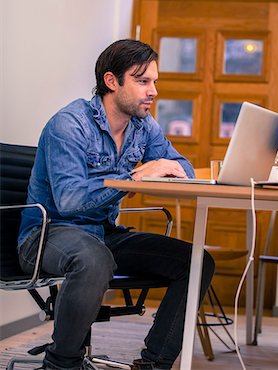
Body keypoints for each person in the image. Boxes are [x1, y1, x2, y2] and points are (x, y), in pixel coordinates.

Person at [18, 39, 215, 370]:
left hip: (104, 233)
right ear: (112, 81)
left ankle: (153, 364)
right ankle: (61, 363)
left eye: (154, 81)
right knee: (94, 259)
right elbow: (69, 201)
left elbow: (184, 168)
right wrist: (134, 179)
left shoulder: (143, 126)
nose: (152, 91)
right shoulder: (69, 124)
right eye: (142, 81)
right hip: (48, 233)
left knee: (197, 262)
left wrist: (160, 170)